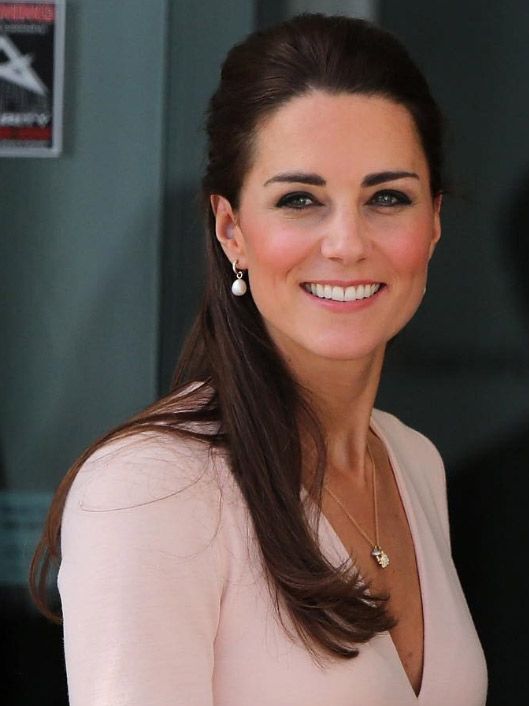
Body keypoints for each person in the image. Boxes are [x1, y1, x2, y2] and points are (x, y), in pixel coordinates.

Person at [30, 13, 487, 706]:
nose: (345, 243)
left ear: (435, 223)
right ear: (231, 230)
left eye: (387, 197)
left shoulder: (412, 461)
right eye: (300, 200)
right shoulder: (152, 490)